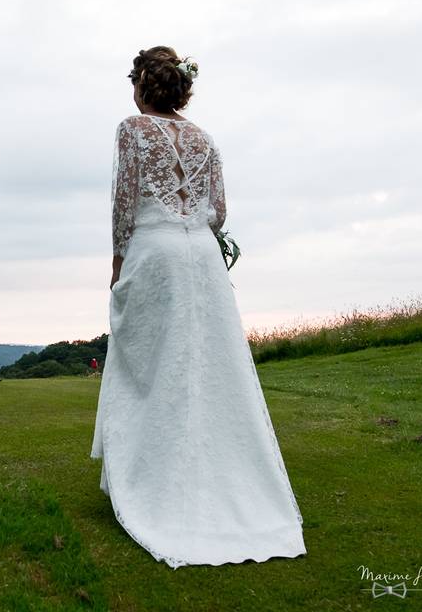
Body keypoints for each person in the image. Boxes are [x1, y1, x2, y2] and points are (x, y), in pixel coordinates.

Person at [91, 46, 306, 568]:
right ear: (181, 87)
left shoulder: (132, 129)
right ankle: (225, 479)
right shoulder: (205, 138)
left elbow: (124, 202)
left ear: (142, 86)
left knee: (150, 365)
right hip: (202, 258)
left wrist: (118, 261)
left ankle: (153, 480)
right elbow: (220, 212)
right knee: (212, 366)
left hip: (155, 250)